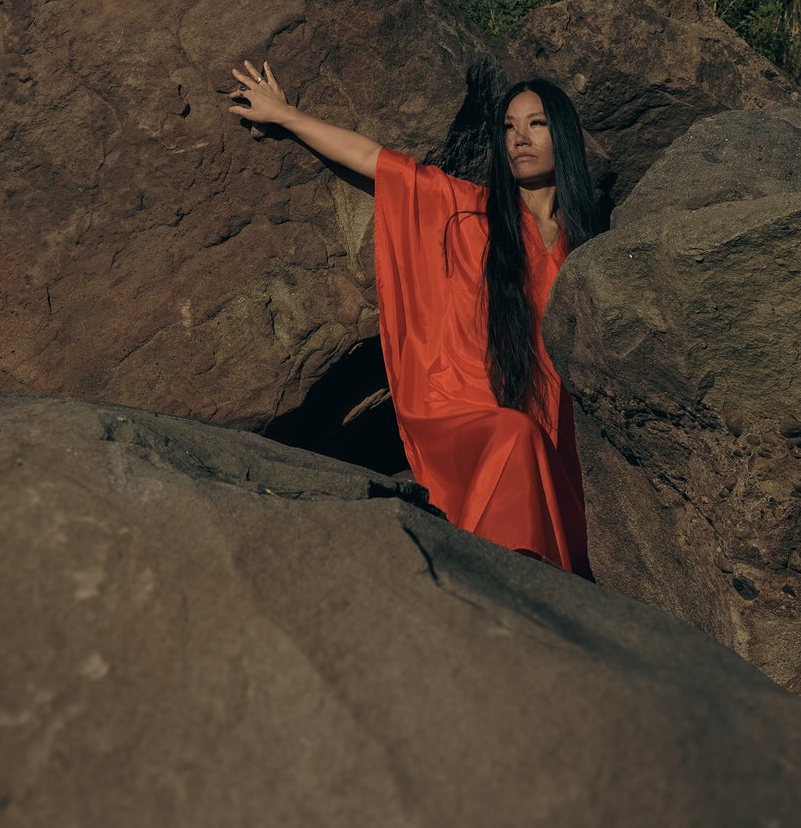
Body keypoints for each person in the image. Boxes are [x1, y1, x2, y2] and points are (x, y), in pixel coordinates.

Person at [227, 60, 601, 576]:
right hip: (464, 406)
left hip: (558, 429)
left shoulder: (586, 250)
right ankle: (507, 581)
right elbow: (374, 160)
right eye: (509, 127)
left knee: (531, 440)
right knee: (515, 435)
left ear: (561, 132)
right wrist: (287, 116)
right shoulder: (471, 211)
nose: (519, 138)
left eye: (535, 124)